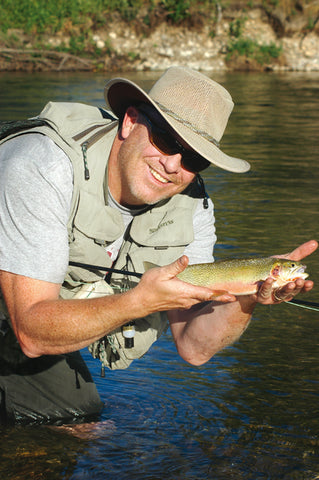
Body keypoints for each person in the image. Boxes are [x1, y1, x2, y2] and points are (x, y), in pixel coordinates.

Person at [0, 66, 316, 425]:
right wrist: (137, 302)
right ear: (130, 122)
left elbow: (194, 347)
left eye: (194, 158)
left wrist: (249, 295)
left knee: (80, 424)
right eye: (166, 140)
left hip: (34, 313)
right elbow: (31, 331)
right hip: (18, 308)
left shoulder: (193, 204)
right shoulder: (42, 165)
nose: (172, 165)